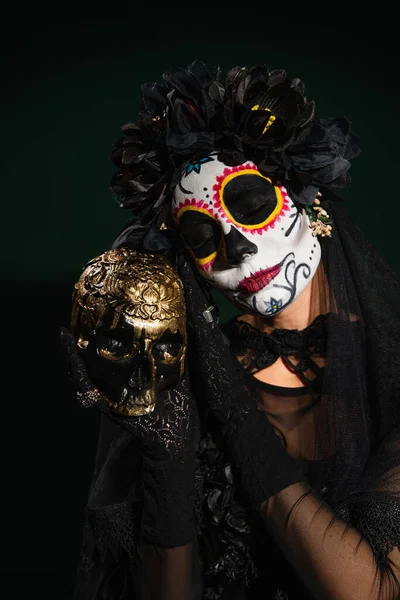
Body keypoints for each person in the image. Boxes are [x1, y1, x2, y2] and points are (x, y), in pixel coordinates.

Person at [62, 60, 400, 599]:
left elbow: (369, 592)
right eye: (202, 235)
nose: (237, 246)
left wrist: (234, 408)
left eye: (250, 203)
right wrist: (169, 457)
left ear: (308, 201)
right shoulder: (185, 374)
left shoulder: (393, 365)